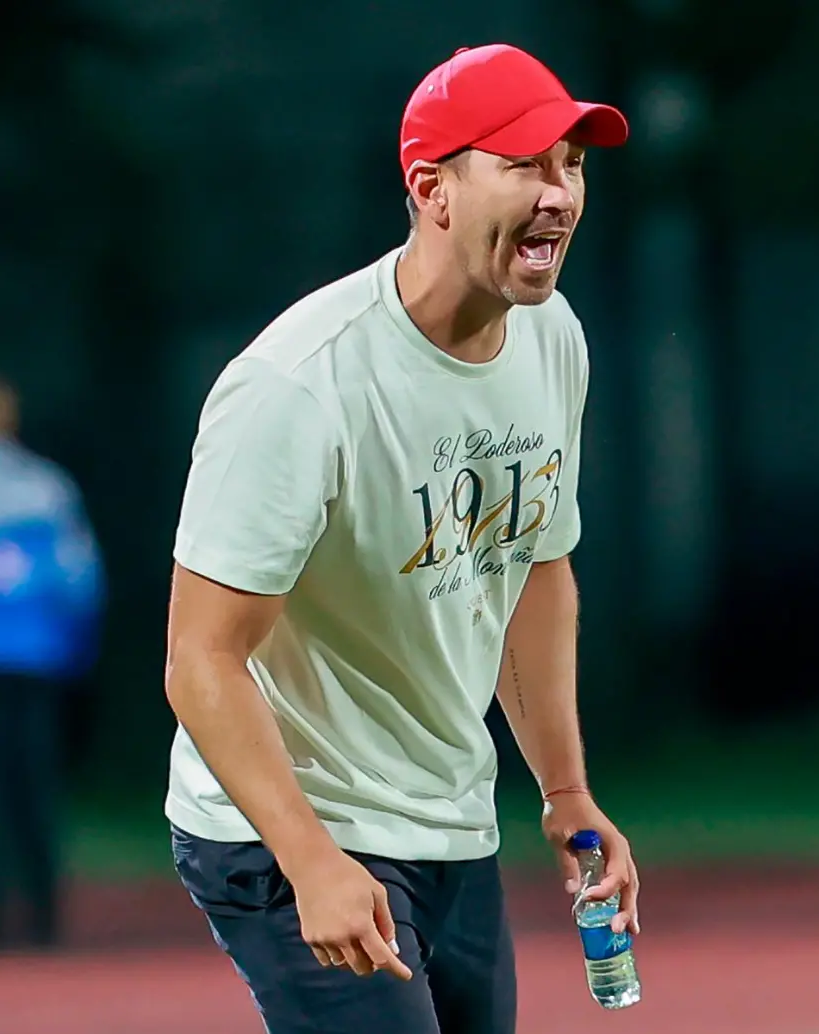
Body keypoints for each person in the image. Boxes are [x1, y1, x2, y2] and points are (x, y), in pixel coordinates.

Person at [164, 43, 638, 1034]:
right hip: (288, 820)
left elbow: (536, 569)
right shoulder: (299, 385)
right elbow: (201, 659)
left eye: (572, 163)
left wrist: (563, 789)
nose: (558, 193)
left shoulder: (552, 338)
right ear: (432, 189)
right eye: (523, 164)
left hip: (448, 812)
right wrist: (307, 859)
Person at [0, 377, 104, 948]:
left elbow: (78, 578)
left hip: (30, 662)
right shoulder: (45, 487)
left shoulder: (45, 487)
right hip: (36, 661)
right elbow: (80, 579)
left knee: (28, 787)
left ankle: (38, 910)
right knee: (31, 786)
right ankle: (41, 916)